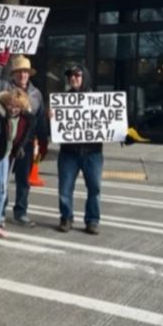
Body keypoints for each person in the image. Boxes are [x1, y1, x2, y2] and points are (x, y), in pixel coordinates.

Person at [0, 53, 48, 226]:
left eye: (25, 72)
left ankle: (21, 211)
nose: (22, 75)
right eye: (19, 72)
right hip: (5, 140)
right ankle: (0, 213)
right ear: (13, 73)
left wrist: (43, 142)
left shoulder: (36, 94)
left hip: (25, 142)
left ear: (30, 74)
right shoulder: (5, 87)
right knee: (1, 181)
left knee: (23, 179)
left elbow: (40, 119)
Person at [56, 64, 103, 235]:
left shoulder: (98, 100)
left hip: (93, 153)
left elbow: (109, 122)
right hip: (69, 153)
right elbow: (52, 128)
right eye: (71, 76)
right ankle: (66, 217)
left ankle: (92, 220)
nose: (74, 78)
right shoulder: (61, 101)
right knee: (65, 188)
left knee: (95, 188)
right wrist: (52, 117)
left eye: (77, 75)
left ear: (85, 78)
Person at [0, 90, 32, 240]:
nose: (13, 108)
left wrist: (20, 147)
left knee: (1, 190)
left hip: (4, 155)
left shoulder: (24, 118)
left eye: (17, 106)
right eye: (10, 105)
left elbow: (23, 134)